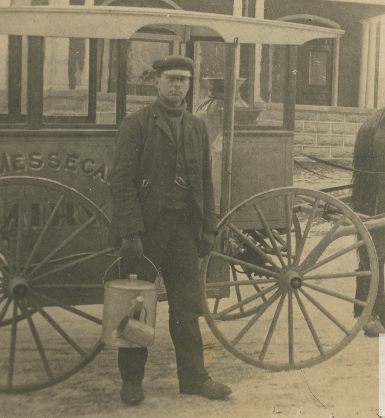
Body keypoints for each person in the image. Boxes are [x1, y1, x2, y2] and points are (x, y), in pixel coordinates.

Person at [108, 55, 232, 406]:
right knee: (136, 306)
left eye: (184, 80)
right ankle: (132, 381)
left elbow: (206, 183)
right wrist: (131, 233)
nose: (177, 85)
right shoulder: (137, 124)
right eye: (171, 79)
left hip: (183, 231)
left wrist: (208, 228)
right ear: (157, 83)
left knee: (187, 308)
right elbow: (121, 183)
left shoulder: (196, 126)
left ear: (190, 85)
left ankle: (194, 378)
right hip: (146, 232)